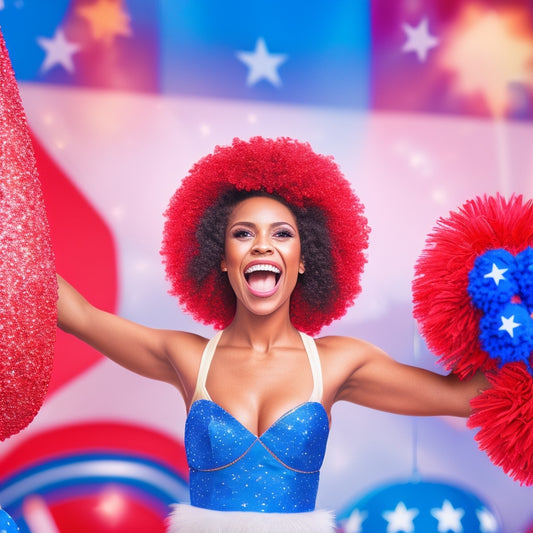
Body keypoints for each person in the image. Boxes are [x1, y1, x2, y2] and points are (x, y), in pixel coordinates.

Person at [56, 136, 488, 532]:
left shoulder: (338, 362)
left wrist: (511, 314)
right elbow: (80, 316)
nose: (262, 245)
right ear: (221, 259)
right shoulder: (187, 357)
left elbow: (465, 397)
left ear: (304, 259)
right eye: (243, 234)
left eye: (282, 234)